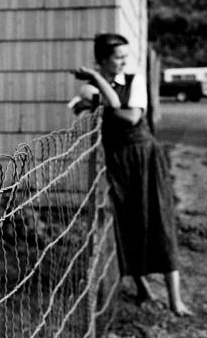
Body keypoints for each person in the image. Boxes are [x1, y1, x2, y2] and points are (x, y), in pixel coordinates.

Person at [71, 33, 191, 316]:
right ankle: (143, 288)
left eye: (126, 56)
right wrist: (95, 103)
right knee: (128, 221)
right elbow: (78, 112)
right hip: (118, 161)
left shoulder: (134, 82)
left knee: (159, 218)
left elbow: (131, 118)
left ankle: (175, 299)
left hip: (144, 156)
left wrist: (98, 105)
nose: (125, 61)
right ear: (101, 60)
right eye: (118, 57)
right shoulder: (92, 88)